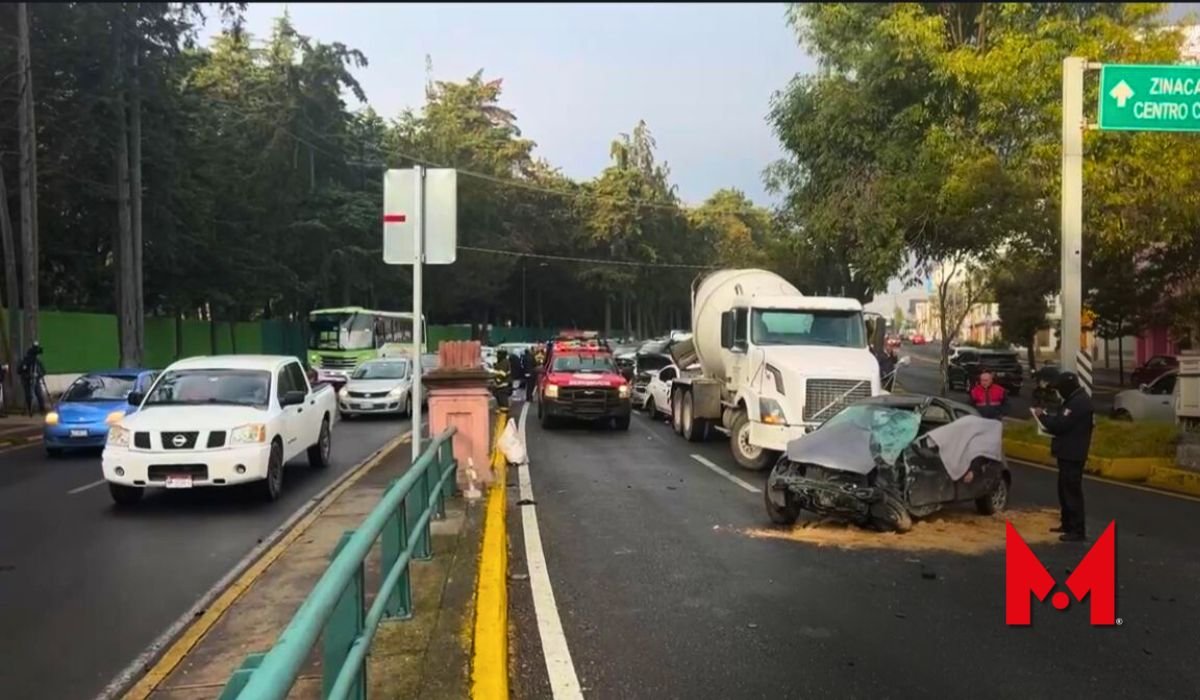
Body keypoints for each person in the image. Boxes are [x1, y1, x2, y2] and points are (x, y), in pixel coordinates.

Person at [1033, 371, 1094, 542]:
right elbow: (1062, 419)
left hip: (1073, 454)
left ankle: (1077, 530)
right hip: (1068, 452)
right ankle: (1067, 523)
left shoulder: (1078, 403)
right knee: (1063, 490)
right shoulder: (1074, 400)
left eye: (1060, 389)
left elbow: (1060, 425)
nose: (1059, 393)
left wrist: (1043, 417)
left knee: (1071, 492)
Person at [18, 342, 47, 416]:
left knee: (39, 394)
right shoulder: (26, 361)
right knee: (28, 395)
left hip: (35, 379)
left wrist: (38, 375)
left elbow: (43, 371)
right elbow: (19, 370)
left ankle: (42, 409)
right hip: (27, 380)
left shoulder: (37, 362)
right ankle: (29, 409)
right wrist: (28, 375)